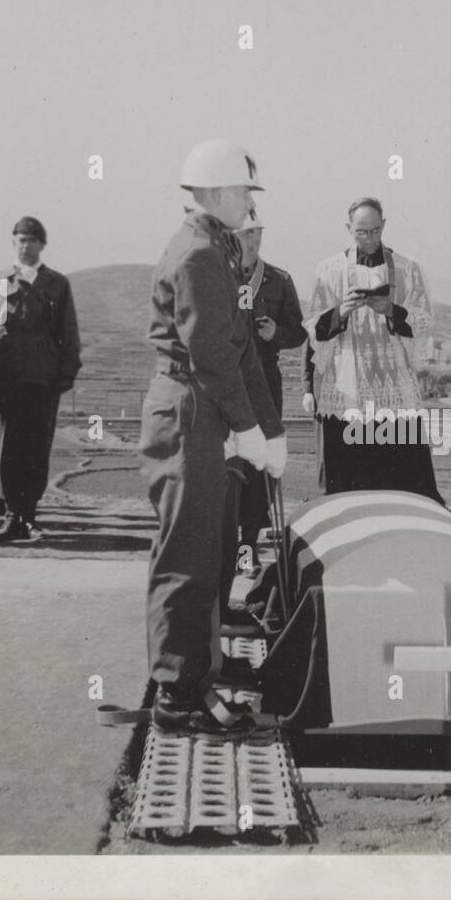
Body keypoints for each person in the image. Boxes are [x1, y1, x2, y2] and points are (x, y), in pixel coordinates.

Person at [141, 138, 287, 733]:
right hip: (189, 412)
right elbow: (210, 355)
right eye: (245, 192)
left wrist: (267, 432)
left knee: (212, 551)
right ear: (221, 191)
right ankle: (176, 694)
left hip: (204, 410)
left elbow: (243, 346)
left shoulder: (218, 249)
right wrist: (248, 428)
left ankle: (199, 671)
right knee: (189, 556)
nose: (250, 204)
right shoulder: (201, 254)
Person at [305, 197, 441, 502]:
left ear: (384, 226)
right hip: (347, 389)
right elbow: (313, 326)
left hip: (393, 386)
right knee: (347, 483)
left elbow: (424, 321)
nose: (369, 238)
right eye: (362, 232)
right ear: (348, 229)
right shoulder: (329, 269)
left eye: (376, 231)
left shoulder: (407, 269)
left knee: (403, 482)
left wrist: (391, 309)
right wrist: (341, 312)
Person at [0, 216, 82, 541]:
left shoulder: (57, 284)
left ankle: (29, 516)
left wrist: (65, 375)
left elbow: (69, 334)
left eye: (32, 240)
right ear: (13, 243)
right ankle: (10, 516)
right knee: (7, 451)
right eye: (20, 239)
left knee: (36, 449)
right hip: (3, 382)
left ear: (42, 245)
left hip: (42, 381)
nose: (25, 245)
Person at [233, 214, 306, 565]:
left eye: (258, 232)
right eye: (248, 233)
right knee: (225, 460)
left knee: (259, 464)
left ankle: (247, 546)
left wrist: (275, 333)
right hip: (224, 383)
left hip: (263, 382)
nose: (254, 239)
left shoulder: (279, 280)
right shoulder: (216, 277)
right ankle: (219, 545)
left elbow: (299, 332)